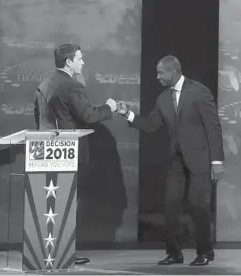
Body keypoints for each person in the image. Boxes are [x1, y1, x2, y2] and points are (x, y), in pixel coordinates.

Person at [117, 55, 225, 266]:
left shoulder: (199, 92)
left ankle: (204, 252)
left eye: (161, 73)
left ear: (174, 72)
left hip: (200, 159)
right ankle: (175, 253)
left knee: (198, 205)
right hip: (176, 161)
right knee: (170, 206)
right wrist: (128, 114)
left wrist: (217, 161)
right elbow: (150, 124)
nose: (157, 77)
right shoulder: (163, 99)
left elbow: (213, 127)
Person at [34, 43, 117, 265]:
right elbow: (88, 115)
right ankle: (64, 253)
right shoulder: (72, 86)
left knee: (52, 206)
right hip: (69, 154)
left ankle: (50, 254)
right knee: (67, 205)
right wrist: (110, 107)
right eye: (79, 58)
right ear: (69, 61)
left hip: (45, 154)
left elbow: (40, 120)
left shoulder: (44, 84)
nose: (83, 62)